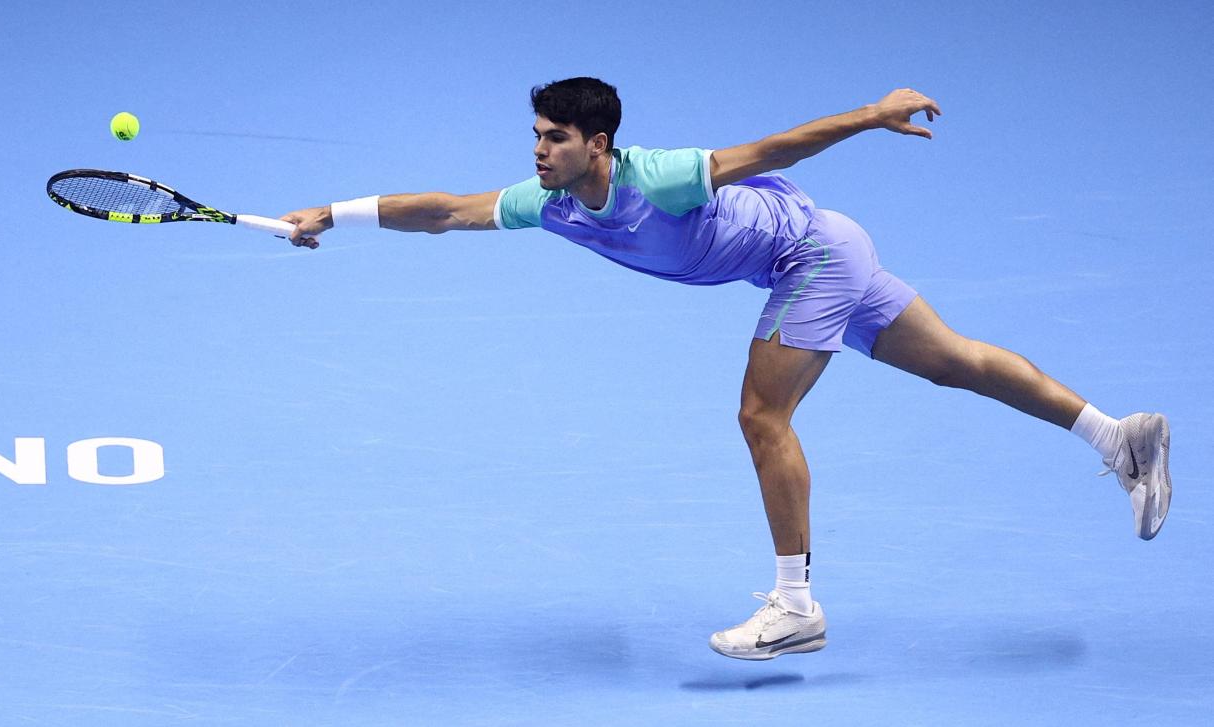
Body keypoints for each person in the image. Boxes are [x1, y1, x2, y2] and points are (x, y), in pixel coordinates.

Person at [276, 77, 1173, 661]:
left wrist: (870, 114)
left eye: (552, 137)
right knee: (955, 364)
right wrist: (334, 211)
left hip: (808, 260)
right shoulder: (549, 205)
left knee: (760, 415)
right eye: (535, 137)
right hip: (829, 247)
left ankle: (795, 605)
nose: (537, 150)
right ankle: (1117, 434)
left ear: (598, 142)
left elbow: (772, 150)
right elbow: (444, 211)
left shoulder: (660, 176)